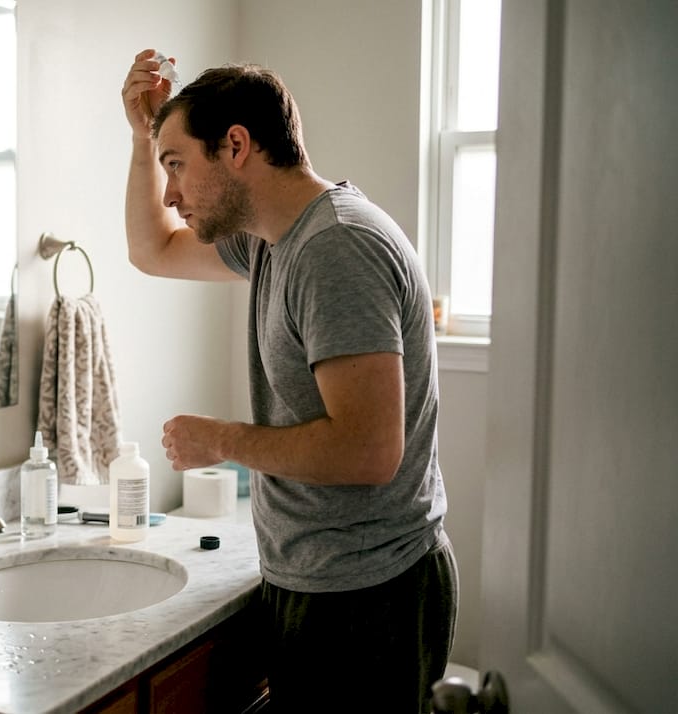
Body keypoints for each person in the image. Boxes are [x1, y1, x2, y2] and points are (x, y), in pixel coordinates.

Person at [121, 49, 456, 712]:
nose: (171, 193)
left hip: (369, 598)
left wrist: (221, 440)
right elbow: (151, 250)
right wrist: (143, 138)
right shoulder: (275, 239)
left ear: (236, 145)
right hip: (324, 581)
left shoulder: (336, 249)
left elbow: (367, 451)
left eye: (177, 164)